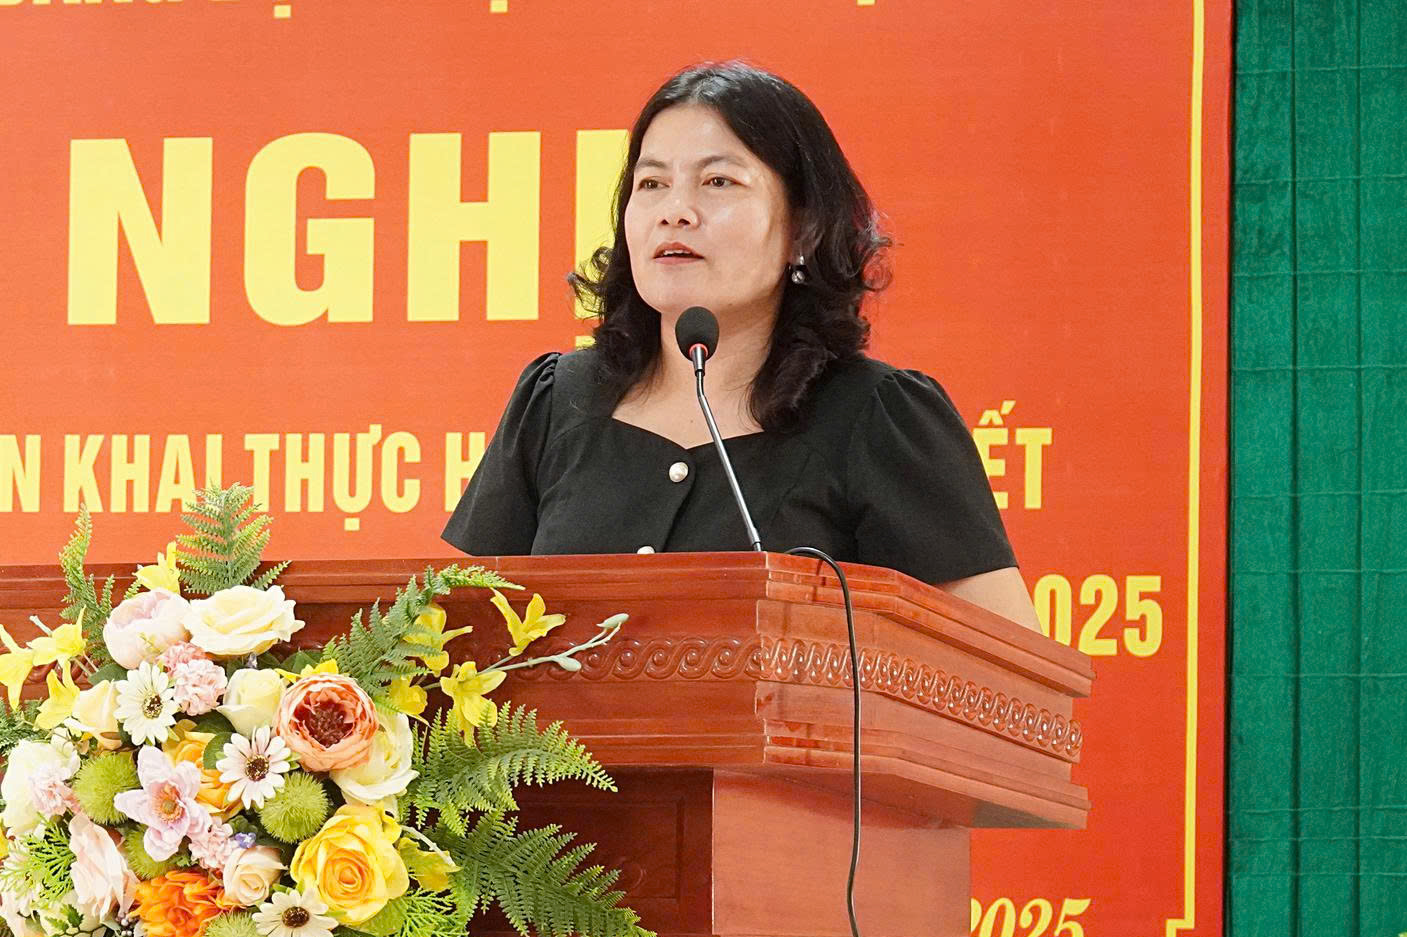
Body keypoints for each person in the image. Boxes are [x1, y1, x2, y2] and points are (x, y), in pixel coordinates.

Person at [440, 60, 1039, 628]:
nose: (675, 211)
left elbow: (1012, 674)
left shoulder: (877, 419)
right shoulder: (556, 402)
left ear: (804, 230)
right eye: (651, 183)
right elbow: (453, 642)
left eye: (718, 181)